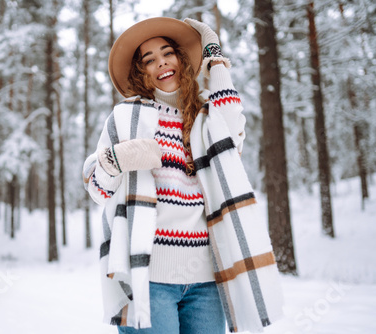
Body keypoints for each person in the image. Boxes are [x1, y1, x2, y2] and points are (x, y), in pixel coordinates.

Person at [83, 17, 283, 333]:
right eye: (149, 59)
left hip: (206, 281)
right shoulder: (126, 118)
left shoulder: (206, 118)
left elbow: (233, 125)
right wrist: (117, 159)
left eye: (168, 53)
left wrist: (214, 55)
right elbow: (97, 189)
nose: (161, 63)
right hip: (148, 278)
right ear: (140, 71)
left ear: (181, 59)